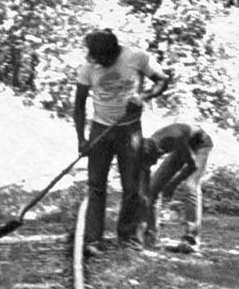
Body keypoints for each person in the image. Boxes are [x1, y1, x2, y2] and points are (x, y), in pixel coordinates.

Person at [72, 28, 167, 251]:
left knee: (132, 186)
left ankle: (129, 239)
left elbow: (162, 80)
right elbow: (78, 104)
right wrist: (81, 139)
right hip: (100, 129)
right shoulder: (88, 67)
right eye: (96, 57)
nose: (99, 62)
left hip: (129, 130)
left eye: (104, 58)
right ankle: (94, 239)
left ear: (114, 52)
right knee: (96, 187)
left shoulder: (137, 57)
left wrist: (143, 97)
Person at [138, 118, 214, 253]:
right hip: (183, 147)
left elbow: (193, 166)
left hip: (201, 144)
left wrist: (172, 184)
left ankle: (191, 240)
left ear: (155, 153)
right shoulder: (148, 146)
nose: (154, 164)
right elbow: (146, 183)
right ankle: (151, 237)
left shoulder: (174, 138)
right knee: (153, 187)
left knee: (191, 185)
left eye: (153, 162)